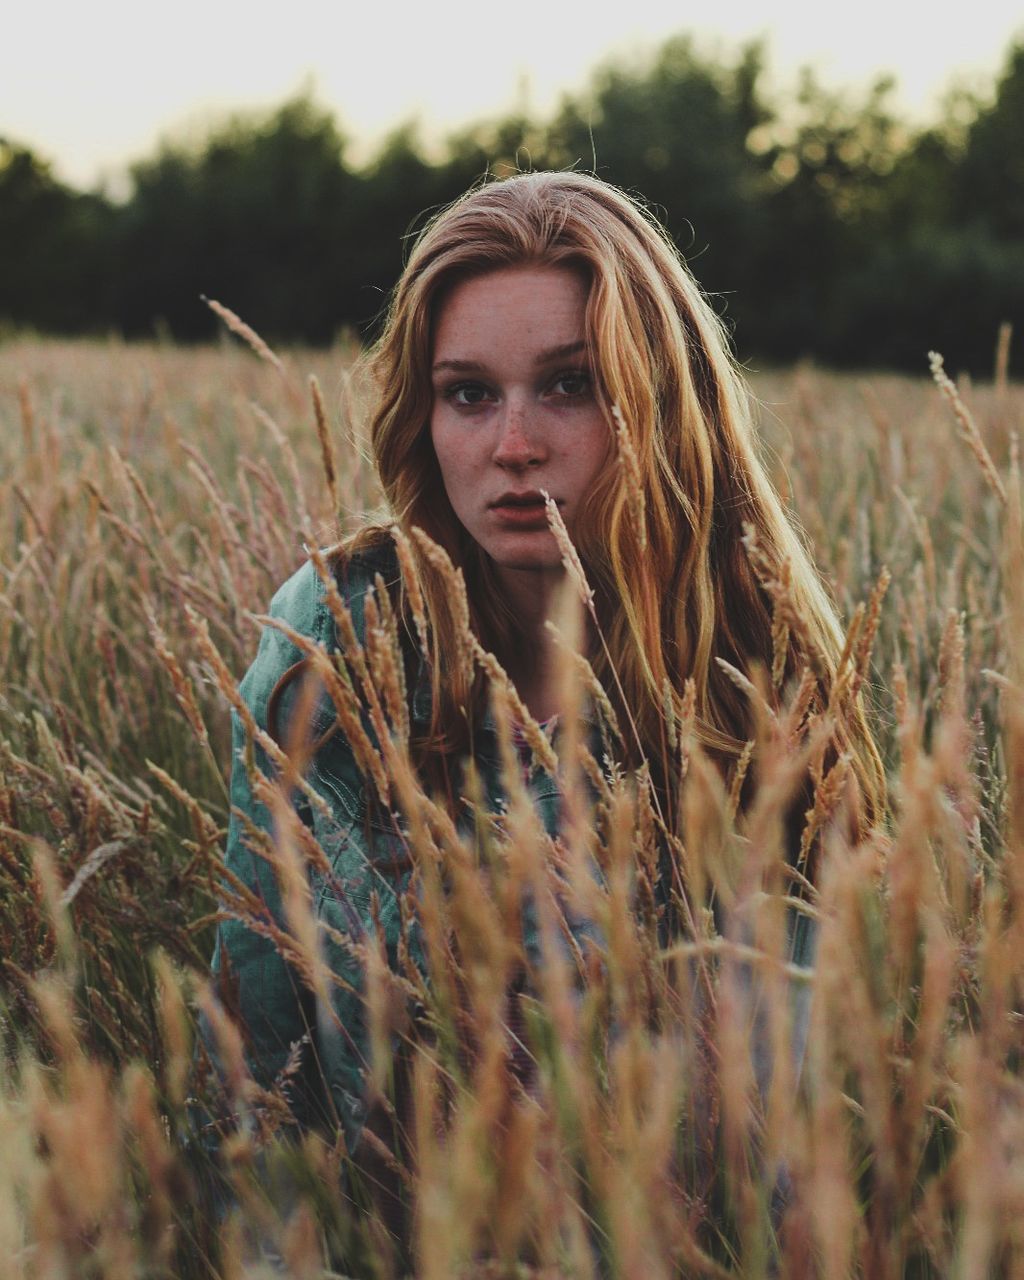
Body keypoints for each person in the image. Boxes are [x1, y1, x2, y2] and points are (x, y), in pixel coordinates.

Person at [202, 170, 885, 1255]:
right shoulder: (345, 639)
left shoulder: (755, 673)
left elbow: (808, 1108)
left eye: (569, 385)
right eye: (469, 393)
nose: (513, 443)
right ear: (423, 416)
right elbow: (260, 1038)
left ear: (660, 400)